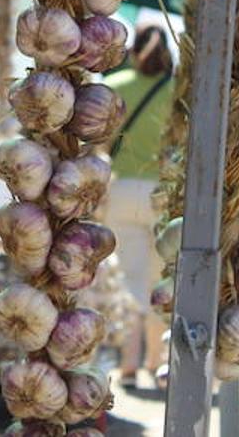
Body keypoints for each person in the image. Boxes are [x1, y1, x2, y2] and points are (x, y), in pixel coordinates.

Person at [105, 24, 174, 389]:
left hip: (122, 191)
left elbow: (98, 142)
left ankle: (128, 364)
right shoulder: (181, 92)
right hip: (165, 193)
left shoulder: (115, 88)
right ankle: (156, 360)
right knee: (160, 278)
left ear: (133, 51)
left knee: (128, 278)